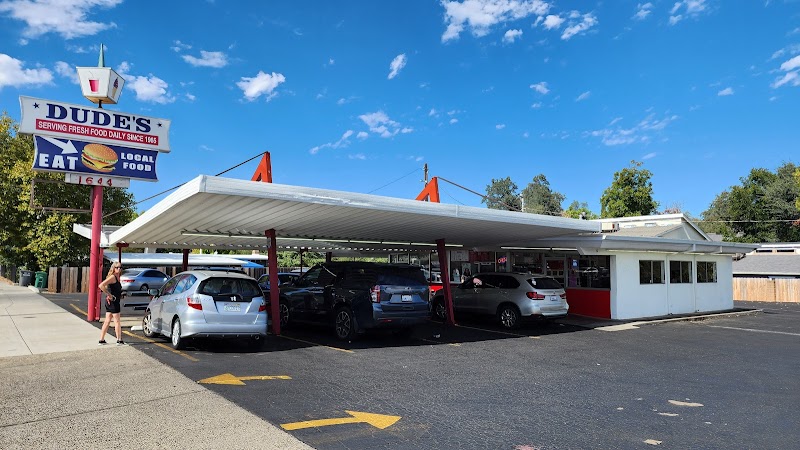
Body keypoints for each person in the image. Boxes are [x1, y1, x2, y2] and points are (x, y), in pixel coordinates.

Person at [98, 262, 125, 345]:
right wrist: (109, 295)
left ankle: (101, 340)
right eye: (117, 267)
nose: (119, 269)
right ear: (113, 268)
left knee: (107, 320)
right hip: (113, 302)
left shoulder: (117, 277)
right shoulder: (113, 277)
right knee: (117, 321)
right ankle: (119, 340)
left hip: (113, 301)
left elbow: (115, 289)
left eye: (120, 267)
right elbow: (101, 285)